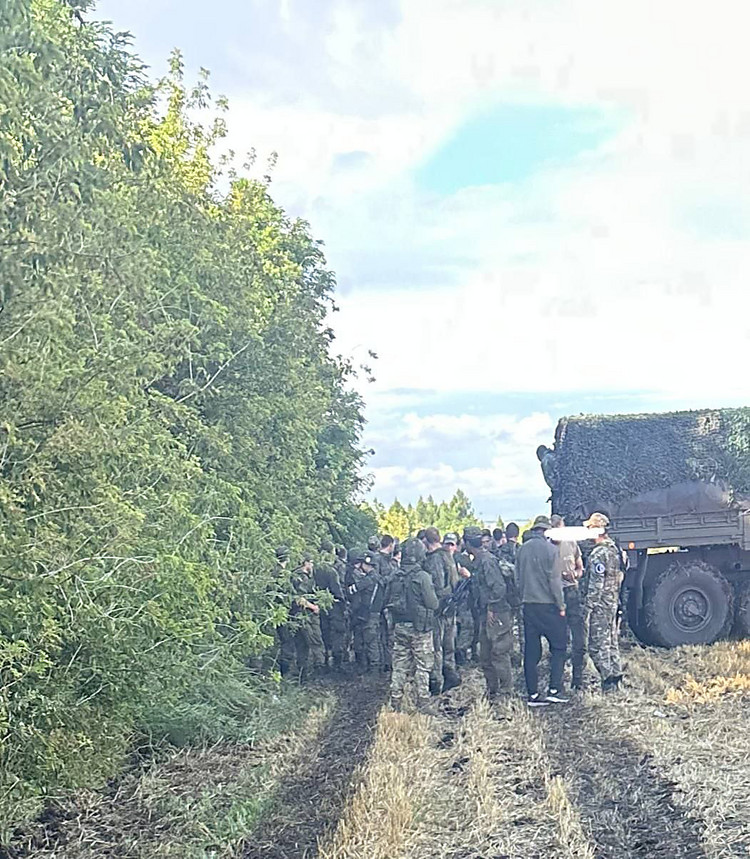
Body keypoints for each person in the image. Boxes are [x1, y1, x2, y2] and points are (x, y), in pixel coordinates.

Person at [515, 515, 568, 706]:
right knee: (559, 646)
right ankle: (554, 689)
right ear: (546, 531)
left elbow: (517, 579)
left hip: (529, 606)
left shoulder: (521, 550)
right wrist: (561, 606)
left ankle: (533, 694)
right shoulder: (551, 550)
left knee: (531, 651)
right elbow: (555, 582)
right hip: (548, 606)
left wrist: (524, 597)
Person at [386, 537, 439, 712]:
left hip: (399, 626)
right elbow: (432, 604)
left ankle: (395, 700)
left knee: (400, 664)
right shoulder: (423, 577)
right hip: (420, 629)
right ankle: (423, 701)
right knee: (423, 666)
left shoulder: (394, 575)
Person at [464, 526, 516, 701]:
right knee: (485, 655)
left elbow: (498, 588)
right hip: (486, 613)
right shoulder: (479, 561)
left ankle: (506, 693)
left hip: (497, 613)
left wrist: (491, 608)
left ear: (468, 544)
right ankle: (492, 691)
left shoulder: (487, 561)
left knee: (499, 653)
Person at [582, 512, 624, 691]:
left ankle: (608, 679)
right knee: (611, 642)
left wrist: (588, 607)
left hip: (601, 606)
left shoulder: (598, 554)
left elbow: (596, 585)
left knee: (597, 645)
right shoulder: (615, 550)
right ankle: (616, 675)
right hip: (612, 602)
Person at [549, 514, 586, 690]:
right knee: (558, 639)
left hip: (572, 592)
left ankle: (577, 678)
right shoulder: (547, 547)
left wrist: (576, 574)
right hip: (555, 596)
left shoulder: (571, 543)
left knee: (579, 638)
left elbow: (580, 567)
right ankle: (558, 679)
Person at [422, 526, 458, 694]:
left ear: (426, 541)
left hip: (440, 609)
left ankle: (437, 682)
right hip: (451, 607)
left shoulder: (434, 559)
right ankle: (451, 674)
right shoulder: (448, 556)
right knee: (449, 645)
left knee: (437, 647)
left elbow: (436, 585)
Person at [287, 553, 326, 680]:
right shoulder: (302, 578)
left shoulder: (293, 575)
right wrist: (313, 607)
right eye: (311, 562)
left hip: (295, 616)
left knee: (301, 645)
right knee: (316, 642)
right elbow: (299, 598)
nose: (312, 565)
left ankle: (302, 675)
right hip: (306, 615)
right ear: (306, 563)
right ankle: (319, 673)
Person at [347, 548, 384, 674]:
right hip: (373, 614)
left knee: (370, 642)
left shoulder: (369, 579)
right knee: (371, 641)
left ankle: (374, 669)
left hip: (369, 614)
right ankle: (373, 668)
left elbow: (351, 590)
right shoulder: (377, 578)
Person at [315, 541, 348, 673]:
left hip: (320, 605)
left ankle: (324, 660)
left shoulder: (315, 569)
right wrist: (344, 605)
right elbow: (337, 590)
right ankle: (337, 663)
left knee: (324, 632)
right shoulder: (332, 571)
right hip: (334, 605)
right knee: (338, 633)